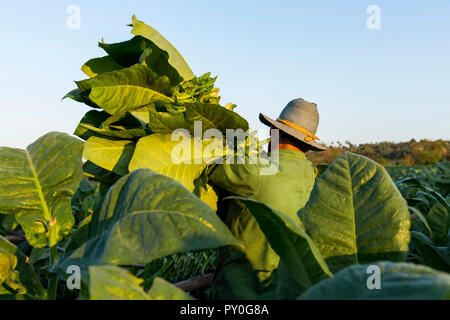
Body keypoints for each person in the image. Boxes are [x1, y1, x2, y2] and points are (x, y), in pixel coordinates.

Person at [208, 98, 326, 299]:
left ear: (274, 132)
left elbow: (209, 166)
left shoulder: (254, 169)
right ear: (308, 147)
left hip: (240, 293)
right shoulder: (314, 176)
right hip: (287, 291)